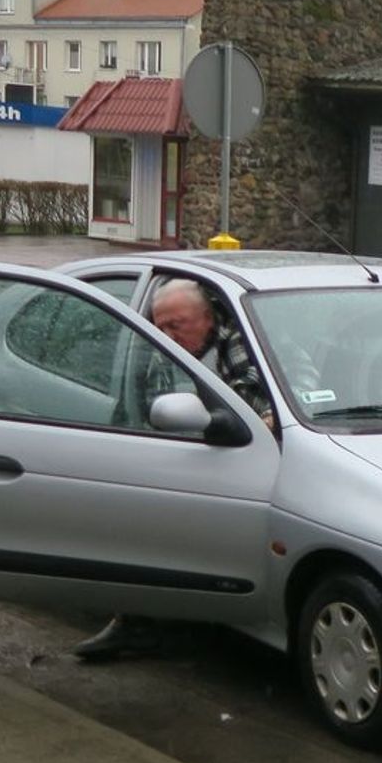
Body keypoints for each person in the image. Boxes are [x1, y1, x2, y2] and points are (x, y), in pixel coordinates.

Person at [73, 277, 278, 661]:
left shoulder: (239, 343)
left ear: (207, 318)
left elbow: (259, 401)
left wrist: (263, 420)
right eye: (159, 325)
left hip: (226, 457)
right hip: (163, 455)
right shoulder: (159, 346)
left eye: (176, 325)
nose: (165, 335)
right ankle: (136, 621)